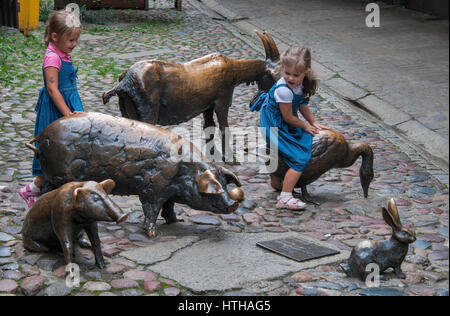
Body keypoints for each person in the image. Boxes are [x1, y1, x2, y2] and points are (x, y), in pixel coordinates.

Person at [18, 10, 84, 207]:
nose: (74, 44)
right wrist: (67, 114)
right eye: (70, 40)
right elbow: (52, 88)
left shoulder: (62, 52)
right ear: (55, 37)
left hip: (67, 105)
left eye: (76, 40)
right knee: (52, 149)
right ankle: (33, 189)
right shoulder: (52, 58)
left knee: (67, 149)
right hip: (57, 109)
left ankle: (62, 186)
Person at [251, 46, 329, 210]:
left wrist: (313, 122)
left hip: (285, 120)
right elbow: (288, 117)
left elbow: (301, 105)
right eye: (287, 73)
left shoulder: (300, 86)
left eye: (296, 75)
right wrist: (305, 125)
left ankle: (277, 180)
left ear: (305, 72)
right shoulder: (283, 90)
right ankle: (285, 197)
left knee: (303, 139)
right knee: (299, 158)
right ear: (283, 69)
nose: (291, 78)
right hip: (275, 125)